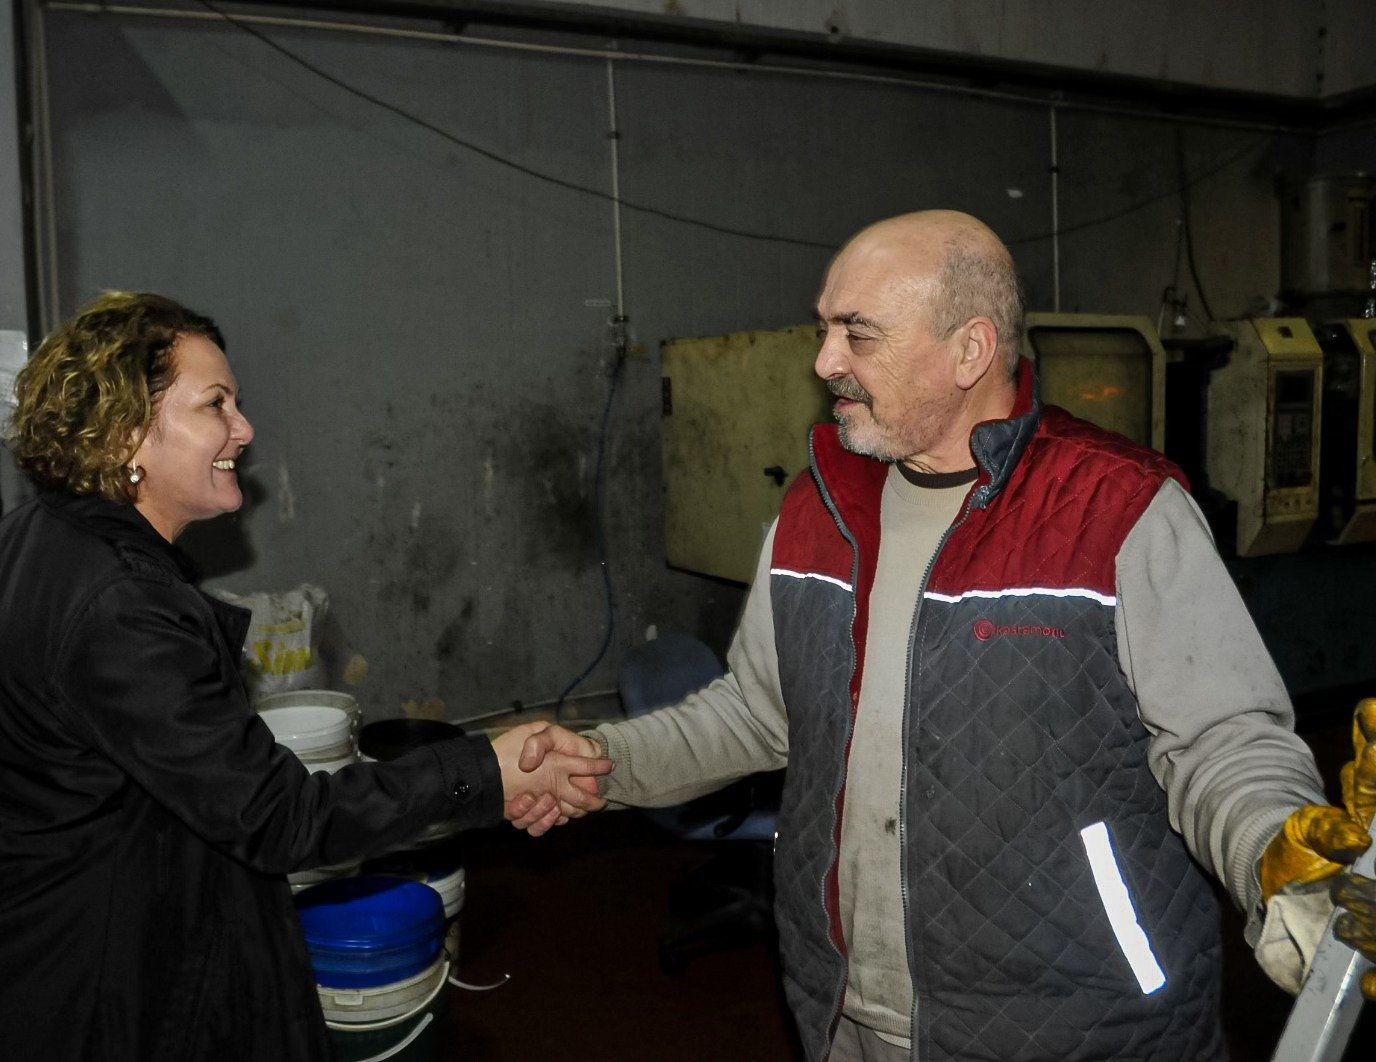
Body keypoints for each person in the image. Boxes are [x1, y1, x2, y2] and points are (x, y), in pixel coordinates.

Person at [523, 210, 1376, 1060]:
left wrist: (1274, 852)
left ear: (969, 350)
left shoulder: (1120, 511)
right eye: (825, 329)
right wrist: (602, 763)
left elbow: (1221, 741)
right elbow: (757, 711)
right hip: (842, 1012)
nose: (825, 361)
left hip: (1077, 1031)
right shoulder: (817, 509)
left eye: (858, 334)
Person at [0, 291, 609, 1060]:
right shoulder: (120, 605)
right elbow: (279, 819)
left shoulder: (37, 536)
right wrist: (484, 770)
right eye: (216, 405)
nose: (245, 427)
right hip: (41, 990)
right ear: (126, 432)